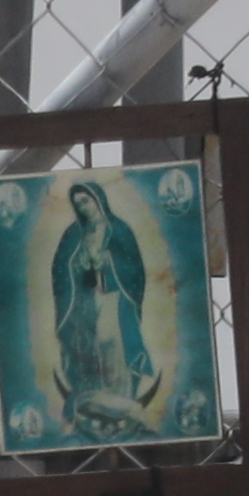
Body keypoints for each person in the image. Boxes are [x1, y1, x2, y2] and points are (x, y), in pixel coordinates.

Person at [45, 177, 160, 436]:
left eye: (86, 200)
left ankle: (120, 404)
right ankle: (92, 403)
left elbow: (134, 272)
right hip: (84, 304)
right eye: (77, 203)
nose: (83, 207)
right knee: (88, 348)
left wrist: (105, 263)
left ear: (98, 200)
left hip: (113, 301)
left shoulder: (119, 231)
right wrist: (79, 265)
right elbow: (60, 270)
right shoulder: (73, 234)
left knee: (113, 347)